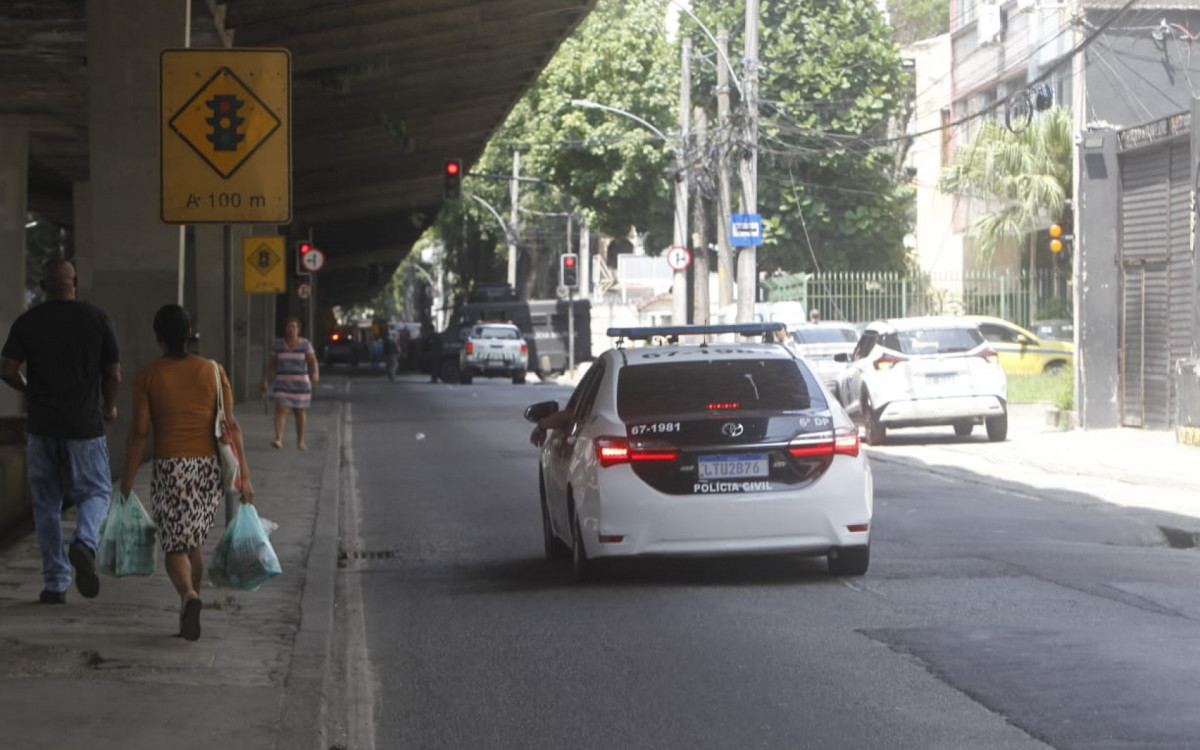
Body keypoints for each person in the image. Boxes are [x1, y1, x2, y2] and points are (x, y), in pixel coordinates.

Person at [120, 305, 254, 641]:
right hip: (207, 468)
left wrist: (127, 479)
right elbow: (231, 426)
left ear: (159, 337)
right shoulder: (213, 370)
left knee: (174, 546)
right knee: (192, 541)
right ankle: (188, 614)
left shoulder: (148, 375)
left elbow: (139, 433)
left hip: (171, 467)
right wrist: (245, 477)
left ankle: (189, 597)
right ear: (190, 332)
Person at [1, 258, 120, 604]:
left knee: (45, 504)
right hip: (84, 426)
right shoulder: (98, 319)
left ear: (42, 286)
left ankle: (55, 583)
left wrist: (28, 389)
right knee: (97, 491)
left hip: (42, 426)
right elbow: (113, 374)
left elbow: (7, 369)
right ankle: (83, 542)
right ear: (76, 282)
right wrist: (109, 406)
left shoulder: (29, 321)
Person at [259, 316, 320, 450]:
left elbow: (312, 361)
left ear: (298, 330)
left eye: (294, 327)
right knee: (280, 408)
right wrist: (264, 379)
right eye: (289, 327)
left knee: (299, 412)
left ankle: (300, 441)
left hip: (300, 385)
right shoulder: (279, 345)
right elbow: (272, 364)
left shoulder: (305, 344)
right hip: (282, 383)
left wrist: (315, 373)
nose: (291, 330)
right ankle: (278, 439)